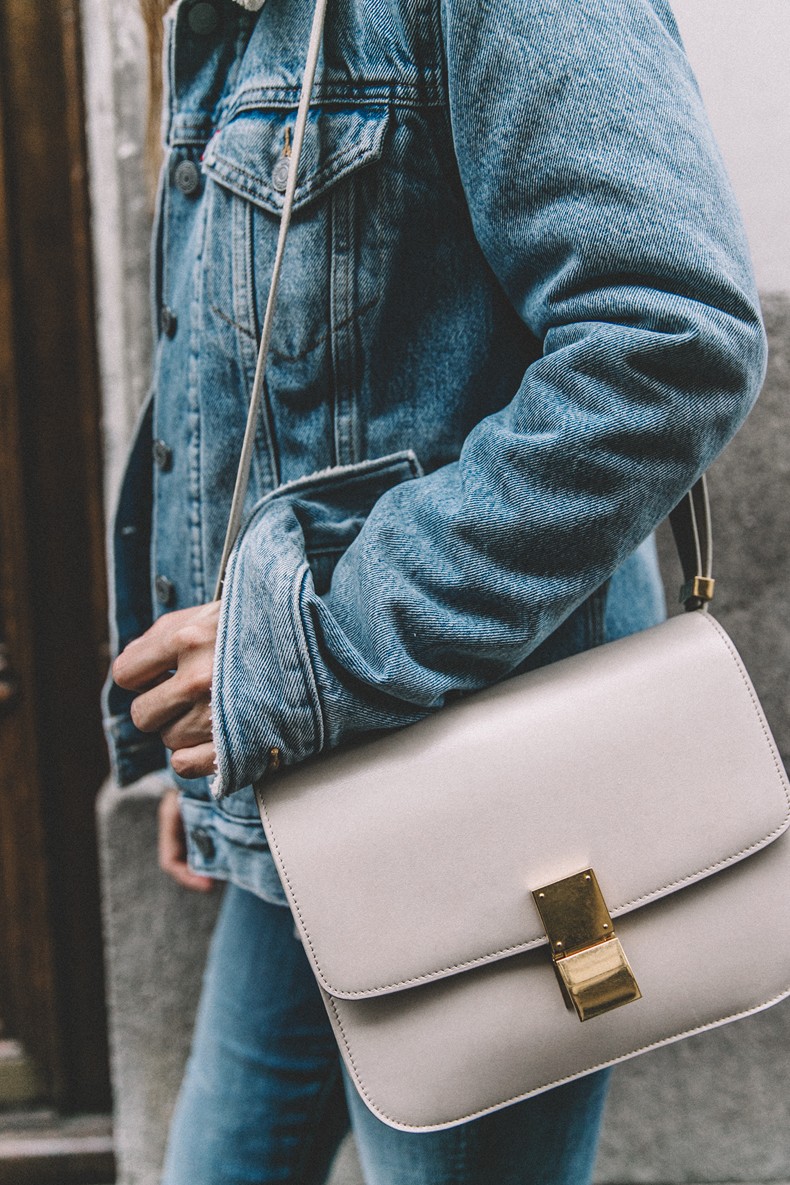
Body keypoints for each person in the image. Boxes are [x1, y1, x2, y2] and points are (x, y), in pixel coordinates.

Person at [107, 0, 766, 1181]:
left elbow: (666, 340)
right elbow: (254, 407)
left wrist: (308, 655)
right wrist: (223, 736)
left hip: (491, 818)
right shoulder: (238, 22)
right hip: (298, 794)